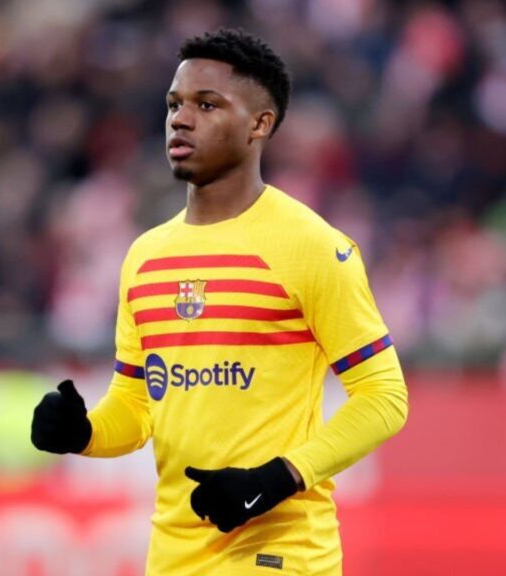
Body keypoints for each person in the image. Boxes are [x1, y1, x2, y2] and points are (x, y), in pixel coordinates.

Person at [31, 28, 408, 575]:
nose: (181, 119)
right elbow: (137, 408)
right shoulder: (146, 256)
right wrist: (82, 432)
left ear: (260, 124)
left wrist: (275, 478)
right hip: (172, 556)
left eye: (207, 105)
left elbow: (384, 397)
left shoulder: (312, 246)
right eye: (174, 104)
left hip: (278, 552)